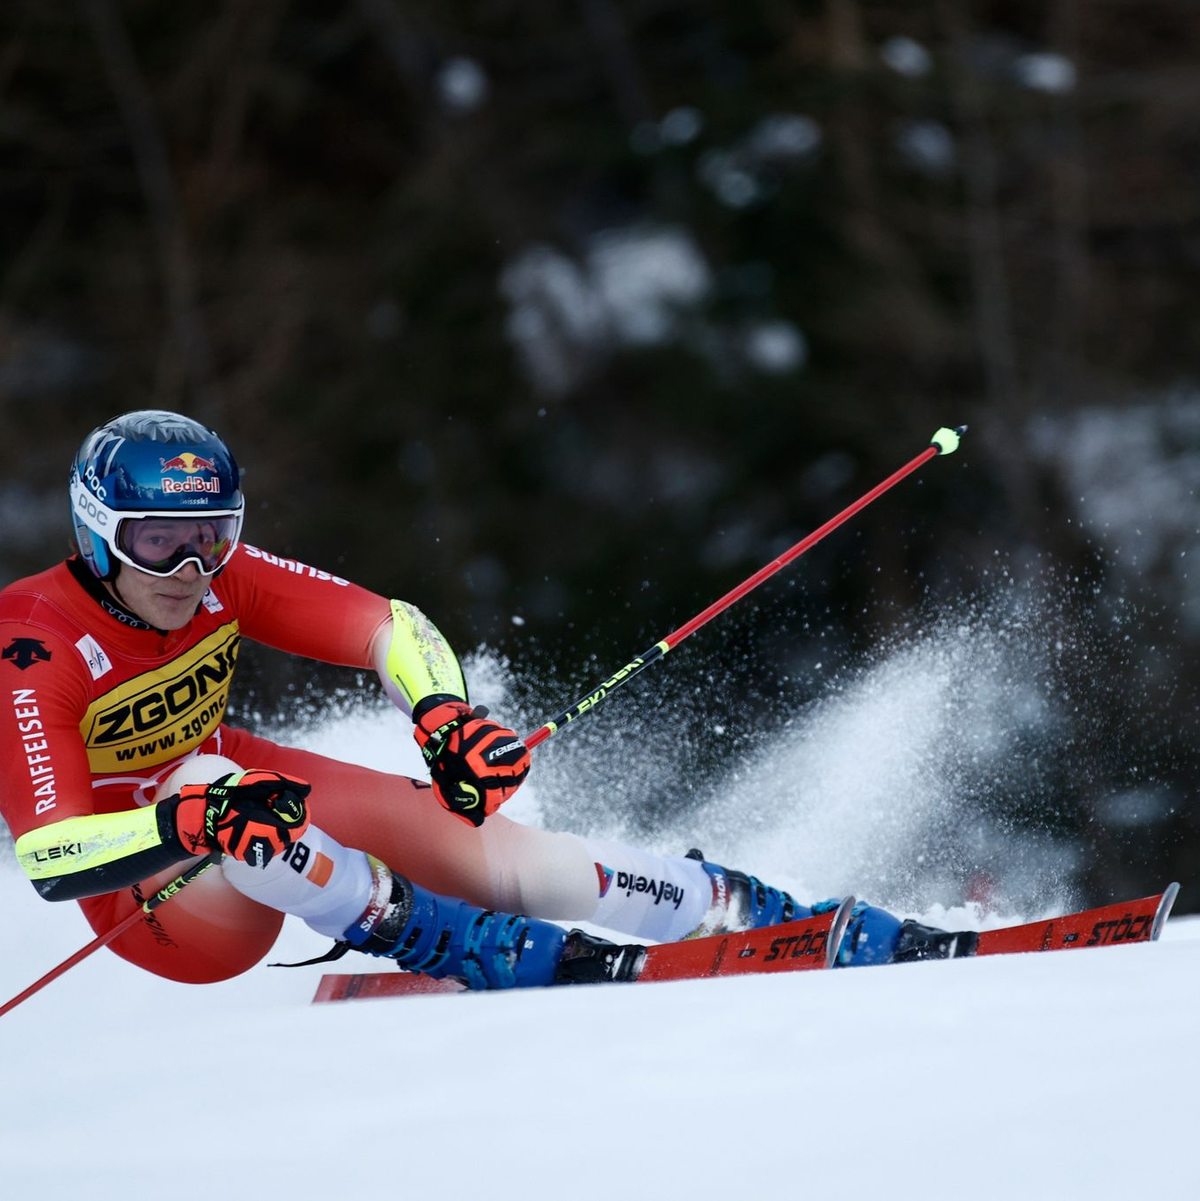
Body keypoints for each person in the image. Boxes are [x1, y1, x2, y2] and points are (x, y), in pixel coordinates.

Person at [0, 411, 970, 991]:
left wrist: (444, 717)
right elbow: (50, 852)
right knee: (225, 781)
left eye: (211, 533)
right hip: (157, 898)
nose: (188, 565)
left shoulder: (223, 577)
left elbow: (394, 626)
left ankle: (732, 906)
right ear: (97, 532)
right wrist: (196, 814)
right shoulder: (31, 640)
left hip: (242, 803)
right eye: (155, 540)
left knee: (490, 847)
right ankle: (432, 935)